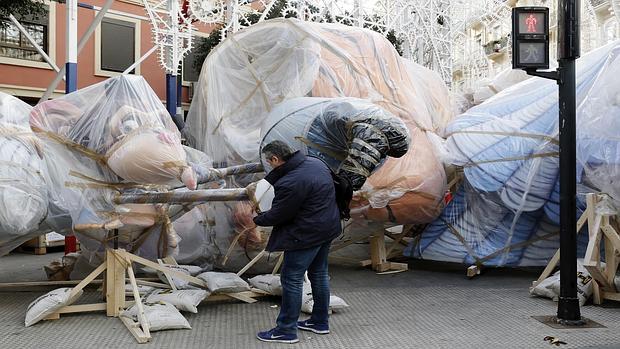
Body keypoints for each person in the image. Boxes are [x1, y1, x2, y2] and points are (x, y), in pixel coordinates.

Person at [253, 140, 342, 344]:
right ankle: (320, 321)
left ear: (275, 159)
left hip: (305, 234)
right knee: (319, 274)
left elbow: (279, 214)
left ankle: (286, 330)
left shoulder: (291, 182)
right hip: (327, 227)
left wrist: (256, 219)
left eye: (269, 163)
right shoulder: (315, 163)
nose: (269, 166)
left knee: (291, 278)